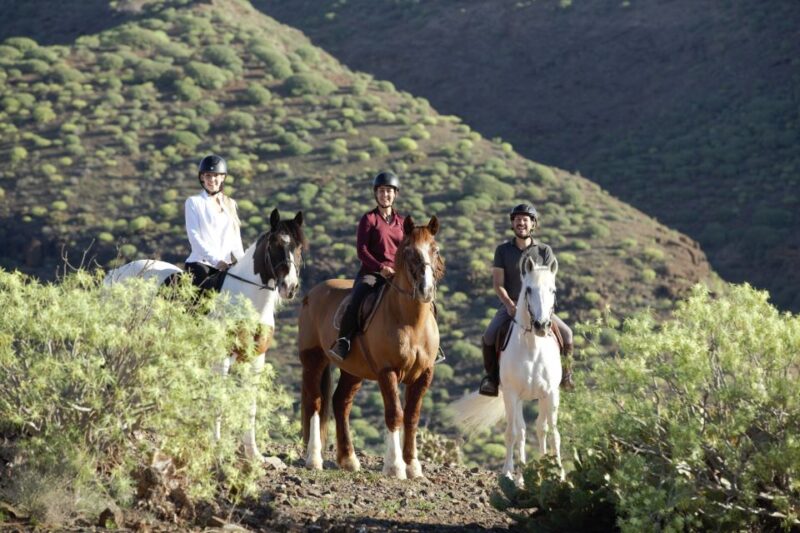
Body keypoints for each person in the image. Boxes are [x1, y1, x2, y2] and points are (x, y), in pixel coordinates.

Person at [479, 203, 575, 396]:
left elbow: (548, 284)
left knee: (567, 334)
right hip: (512, 305)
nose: (521, 223)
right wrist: (509, 305)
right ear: (512, 224)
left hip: (539, 307)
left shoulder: (544, 251)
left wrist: (545, 308)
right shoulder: (503, 251)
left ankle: (566, 376)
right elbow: (498, 284)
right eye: (517, 220)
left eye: (525, 220)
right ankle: (491, 379)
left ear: (533, 224)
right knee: (489, 336)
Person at [327, 171, 405, 363]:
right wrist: (380, 268)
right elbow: (362, 251)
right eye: (381, 191)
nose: (385, 195)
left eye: (388, 191)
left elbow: (405, 251)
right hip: (372, 274)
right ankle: (343, 341)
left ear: (395, 194)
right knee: (357, 298)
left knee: (422, 299)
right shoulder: (369, 219)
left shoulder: (402, 222)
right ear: (375, 194)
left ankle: (431, 345)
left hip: (397, 275)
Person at [183, 154, 244, 292]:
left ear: (223, 177)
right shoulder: (194, 202)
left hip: (226, 266)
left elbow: (235, 240)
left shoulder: (231, 203)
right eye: (208, 176)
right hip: (201, 264)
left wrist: (243, 262)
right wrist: (216, 262)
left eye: (216, 175)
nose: (212, 179)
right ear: (202, 178)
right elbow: (195, 238)